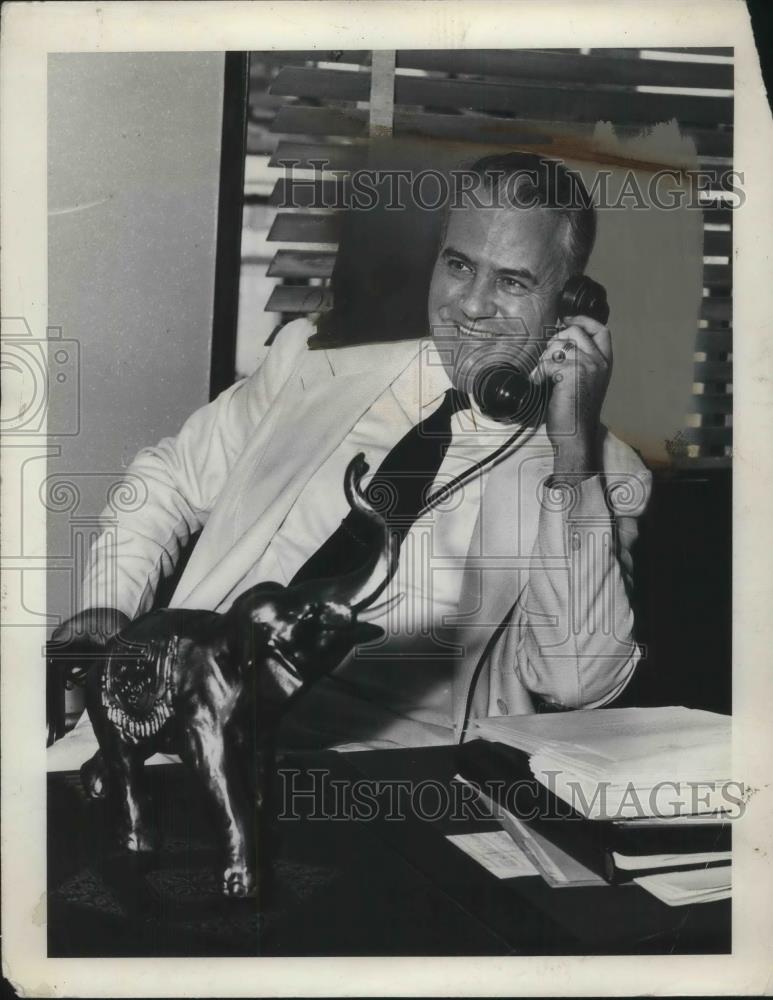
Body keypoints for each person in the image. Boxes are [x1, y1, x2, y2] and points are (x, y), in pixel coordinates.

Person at [54, 152, 651, 753]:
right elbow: (169, 480)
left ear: (570, 309)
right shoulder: (311, 366)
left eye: (512, 282)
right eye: (459, 265)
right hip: (175, 729)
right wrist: (109, 603)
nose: (471, 305)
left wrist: (571, 454)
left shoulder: (597, 473)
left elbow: (577, 680)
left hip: (374, 790)